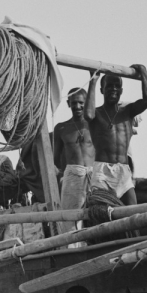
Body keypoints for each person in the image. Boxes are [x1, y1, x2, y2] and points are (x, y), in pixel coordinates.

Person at [84, 65, 147, 205]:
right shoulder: (96, 113)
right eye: (109, 86)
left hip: (123, 171)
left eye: (117, 86)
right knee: (101, 213)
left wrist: (143, 72)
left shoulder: (128, 111)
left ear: (121, 90)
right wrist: (93, 80)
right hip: (102, 172)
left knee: (132, 213)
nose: (113, 89)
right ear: (102, 90)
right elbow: (88, 114)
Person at [53, 88, 96, 237]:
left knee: (97, 213)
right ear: (68, 104)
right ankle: (73, 250)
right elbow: (55, 159)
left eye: (81, 103)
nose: (77, 106)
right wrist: (60, 178)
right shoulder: (61, 128)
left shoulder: (94, 124)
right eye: (74, 103)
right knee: (70, 218)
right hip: (72, 175)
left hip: (94, 174)